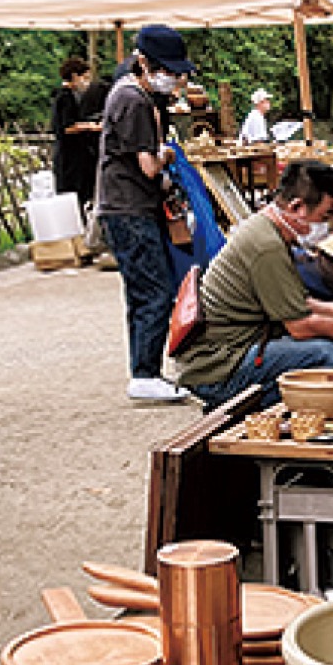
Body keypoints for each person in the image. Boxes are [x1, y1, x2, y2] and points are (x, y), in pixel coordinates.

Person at [174, 160, 333, 409]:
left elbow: (297, 303)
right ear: (297, 207)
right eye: (323, 216)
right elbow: (300, 326)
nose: (324, 226)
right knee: (320, 353)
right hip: (219, 365)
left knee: (327, 343)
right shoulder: (267, 246)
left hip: (230, 350)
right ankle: (250, 412)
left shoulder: (266, 229)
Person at [96, 23, 196, 404]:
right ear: (143, 63)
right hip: (129, 207)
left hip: (125, 205)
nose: (173, 78)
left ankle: (145, 368)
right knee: (154, 291)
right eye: (167, 70)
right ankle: (145, 373)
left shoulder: (130, 94)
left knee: (142, 291)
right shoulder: (133, 100)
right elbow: (149, 167)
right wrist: (168, 155)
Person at [50, 56, 102, 209]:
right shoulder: (65, 98)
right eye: (84, 78)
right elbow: (67, 127)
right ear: (74, 76)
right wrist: (91, 127)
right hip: (70, 158)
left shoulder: (69, 97)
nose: (86, 83)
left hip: (75, 157)